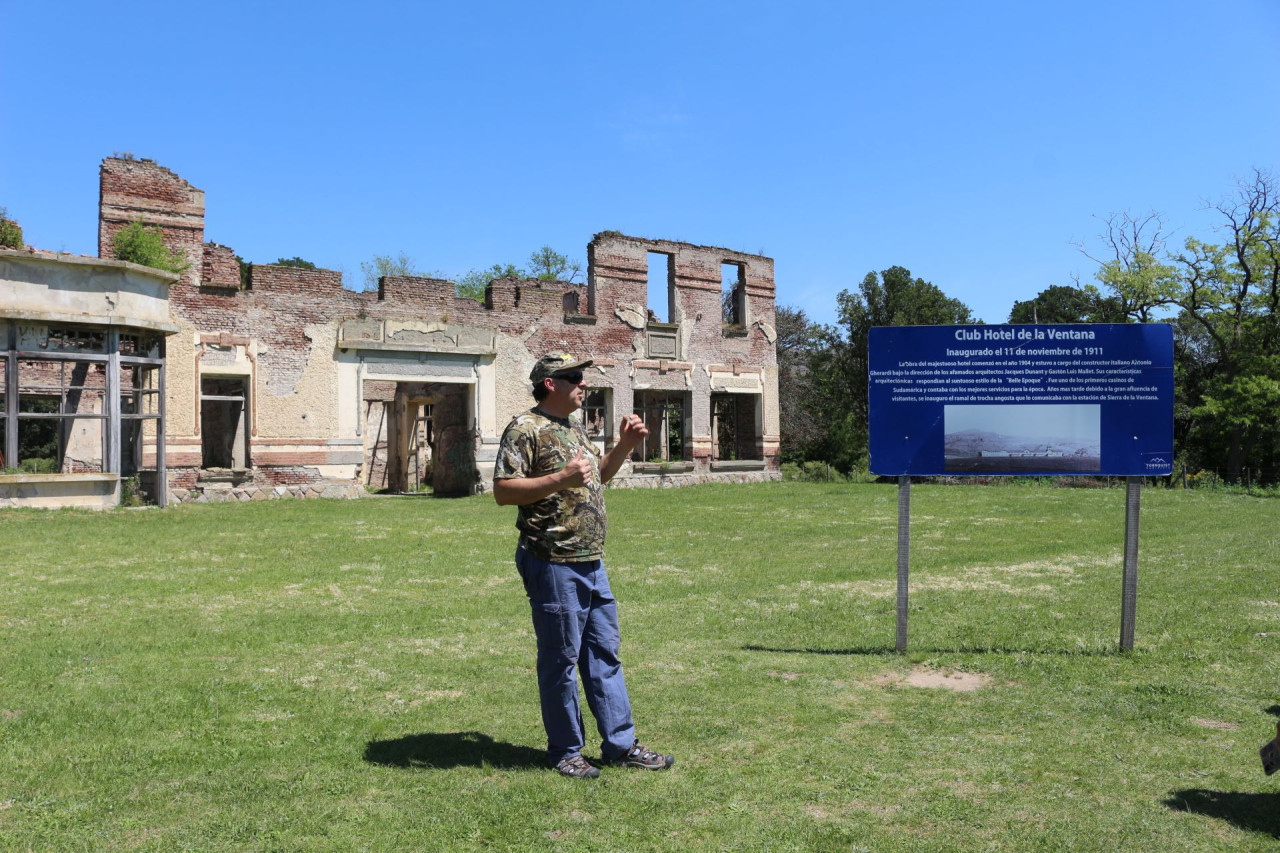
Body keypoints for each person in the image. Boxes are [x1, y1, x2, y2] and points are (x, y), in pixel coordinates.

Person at [493, 352, 675, 779]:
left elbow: (598, 476)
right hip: (553, 561)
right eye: (574, 377)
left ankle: (620, 744)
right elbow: (503, 491)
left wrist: (625, 446)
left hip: (592, 561)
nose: (583, 383)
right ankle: (566, 750)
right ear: (550, 383)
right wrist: (560, 479)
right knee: (560, 659)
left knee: (604, 655)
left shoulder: (574, 428)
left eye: (583, 376)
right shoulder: (525, 429)